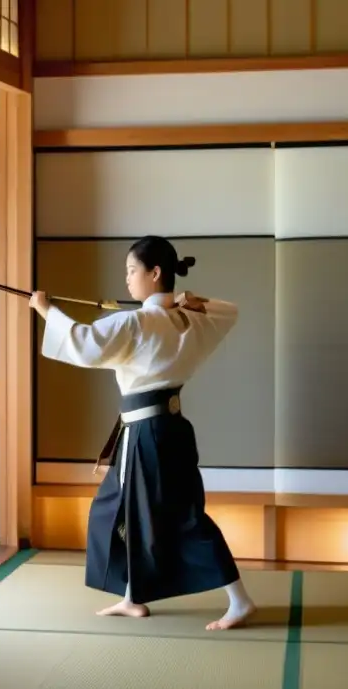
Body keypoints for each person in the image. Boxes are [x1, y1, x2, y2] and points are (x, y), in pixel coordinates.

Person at [29, 235, 255, 631]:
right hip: (166, 429)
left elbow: (83, 343)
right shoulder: (190, 318)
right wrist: (176, 299)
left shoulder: (138, 321)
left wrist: (46, 309)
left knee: (181, 517)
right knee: (117, 511)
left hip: (147, 434)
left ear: (155, 273)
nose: (128, 279)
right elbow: (227, 310)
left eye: (133, 271)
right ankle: (133, 595)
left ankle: (239, 600)